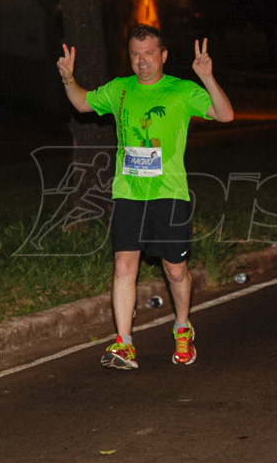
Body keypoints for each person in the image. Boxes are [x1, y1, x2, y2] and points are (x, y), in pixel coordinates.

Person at [57, 24, 235, 370]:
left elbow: (225, 114)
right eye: (135, 54)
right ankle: (124, 343)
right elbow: (81, 103)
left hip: (170, 193)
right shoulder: (120, 89)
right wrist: (68, 78)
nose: (141, 61)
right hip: (128, 193)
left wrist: (207, 78)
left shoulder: (181, 91)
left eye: (149, 53)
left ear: (163, 56)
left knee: (176, 269)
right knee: (124, 265)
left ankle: (182, 326)